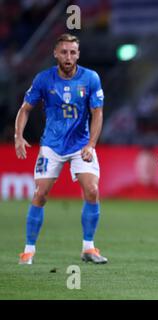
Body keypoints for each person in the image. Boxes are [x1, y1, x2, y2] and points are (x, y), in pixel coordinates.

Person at [14, 34, 108, 264]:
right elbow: (25, 109)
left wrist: (91, 144)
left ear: (78, 54)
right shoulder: (44, 79)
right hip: (52, 146)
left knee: (93, 191)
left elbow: (98, 112)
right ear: (55, 53)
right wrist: (18, 136)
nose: (68, 56)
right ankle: (28, 250)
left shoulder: (90, 78)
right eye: (64, 52)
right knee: (40, 194)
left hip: (80, 145)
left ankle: (88, 248)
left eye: (73, 52)